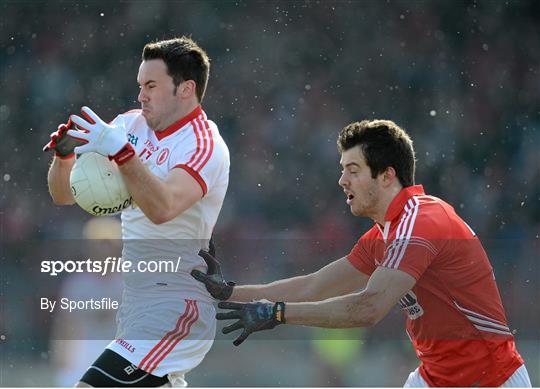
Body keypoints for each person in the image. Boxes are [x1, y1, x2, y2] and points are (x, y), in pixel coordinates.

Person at [192, 119, 531, 387]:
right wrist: (232, 292)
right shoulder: (385, 233)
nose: (342, 181)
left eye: (352, 171)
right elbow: (314, 286)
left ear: (387, 176)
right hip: (434, 379)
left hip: (490, 381)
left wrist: (277, 313)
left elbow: (368, 308)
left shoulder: (421, 222)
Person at [44, 36, 230, 387]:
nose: (141, 95)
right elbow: (64, 196)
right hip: (136, 302)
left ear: (186, 89)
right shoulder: (129, 126)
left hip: (176, 304)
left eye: (151, 85)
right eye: (140, 85)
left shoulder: (204, 146)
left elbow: (163, 208)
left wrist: (122, 153)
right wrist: (64, 157)